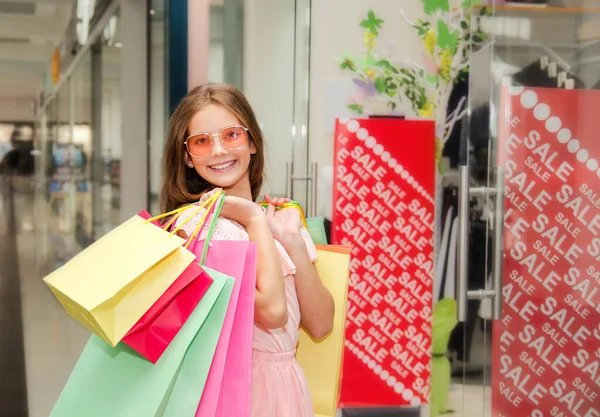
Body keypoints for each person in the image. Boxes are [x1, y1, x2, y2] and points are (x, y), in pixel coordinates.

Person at [160, 83, 335, 417]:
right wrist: (255, 220)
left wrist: (293, 241)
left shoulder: (280, 218)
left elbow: (321, 324)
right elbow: (272, 314)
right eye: (201, 141)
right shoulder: (195, 226)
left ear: (251, 141)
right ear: (187, 156)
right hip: (235, 392)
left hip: (287, 385)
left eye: (231, 135)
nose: (219, 151)